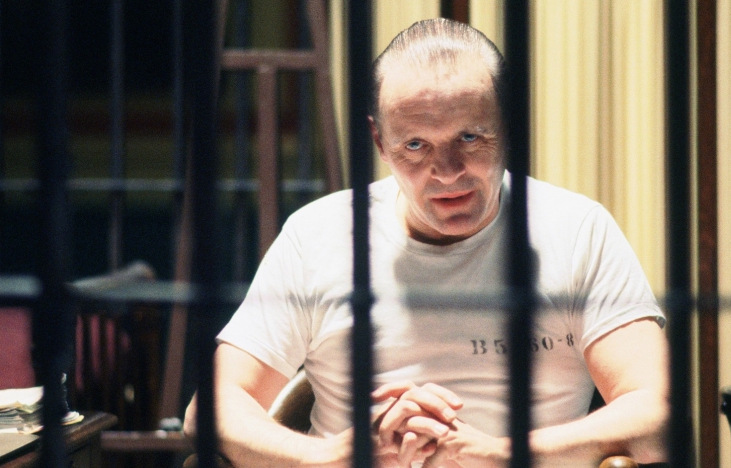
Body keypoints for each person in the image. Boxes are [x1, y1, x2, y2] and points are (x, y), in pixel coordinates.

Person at [184, 18, 669, 467]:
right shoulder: (319, 235)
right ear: (379, 142)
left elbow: (660, 415)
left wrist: (500, 454)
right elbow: (210, 409)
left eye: (470, 138)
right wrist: (329, 457)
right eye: (415, 145)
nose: (448, 171)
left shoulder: (576, 231)